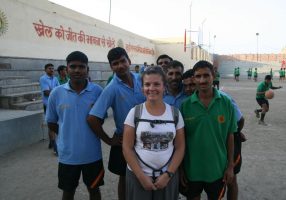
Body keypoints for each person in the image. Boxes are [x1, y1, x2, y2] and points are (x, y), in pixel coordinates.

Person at [87, 47, 146, 200]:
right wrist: (109, 140)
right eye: (115, 63)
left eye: (122, 61)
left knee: (148, 174)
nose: (120, 66)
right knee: (125, 178)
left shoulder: (142, 79)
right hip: (125, 139)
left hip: (148, 137)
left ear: (129, 61)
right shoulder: (111, 88)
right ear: (111, 67)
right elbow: (92, 118)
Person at [46, 51, 104, 200]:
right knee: (68, 192)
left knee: (94, 190)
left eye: (81, 66)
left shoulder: (97, 91)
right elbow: (51, 122)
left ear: (87, 69)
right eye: (73, 66)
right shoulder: (56, 93)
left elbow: (100, 120)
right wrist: (67, 133)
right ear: (66, 69)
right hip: (67, 156)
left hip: (92, 154)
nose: (77, 70)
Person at [122, 66, 185, 200]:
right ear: (142, 88)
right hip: (138, 176)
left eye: (157, 84)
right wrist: (141, 176)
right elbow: (127, 148)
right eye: (147, 84)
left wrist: (168, 174)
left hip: (167, 176)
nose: (152, 88)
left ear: (164, 87)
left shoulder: (175, 114)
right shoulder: (135, 112)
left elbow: (180, 147)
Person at [180, 60, 236, 200]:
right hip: (192, 170)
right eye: (198, 76)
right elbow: (180, 141)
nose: (202, 80)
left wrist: (230, 166)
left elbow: (230, 136)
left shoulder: (226, 102)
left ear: (213, 76)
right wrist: (181, 169)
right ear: (194, 78)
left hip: (217, 169)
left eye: (206, 75)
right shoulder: (185, 106)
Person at [39, 63, 59, 152]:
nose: (51, 70)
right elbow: (46, 92)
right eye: (49, 68)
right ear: (45, 70)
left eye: (52, 68)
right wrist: (55, 91)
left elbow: (59, 90)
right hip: (48, 105)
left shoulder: (55, 78)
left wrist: (53, 91)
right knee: (51, 124)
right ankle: (55, 146)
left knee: (55, 124)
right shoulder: (43, 78)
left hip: (56, 104)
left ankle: (51, 142)